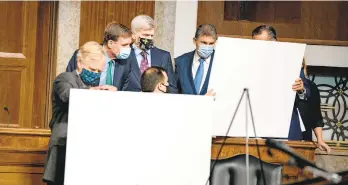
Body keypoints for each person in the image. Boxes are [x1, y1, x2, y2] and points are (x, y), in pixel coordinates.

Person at [43, 41, 117, 185]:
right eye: (92, 69)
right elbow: (67, 96)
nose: (95, 74)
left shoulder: (95, 87)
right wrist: (96, 92)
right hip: (63, 146)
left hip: (86, 148)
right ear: (79, 63)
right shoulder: (65, 78)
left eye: (98, 72)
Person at [251, 25, 330, 151]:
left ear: (274, 43)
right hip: (256, 130)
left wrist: (301, 89)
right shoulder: (249, 65)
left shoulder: (290, 61)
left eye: (262, 44)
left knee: (288, 169)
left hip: (286, 130)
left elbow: (308, 93)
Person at [66, 22, 132, 90]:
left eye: (129, 44)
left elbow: (125, 90)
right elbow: (69, 84)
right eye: (124, 45)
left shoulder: (126, 61)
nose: (129, 48)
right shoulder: (85, 54)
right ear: (110, 43)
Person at [124, 15, 177, 93]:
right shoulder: (124, 55)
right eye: (145, 35)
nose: (149, 39)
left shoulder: (163, 56)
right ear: (133, 35)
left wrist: (164, 89)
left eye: (151, 35)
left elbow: (173, 89)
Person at [175, 24, 216, 96]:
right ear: (195, 41)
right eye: (204, 43)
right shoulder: (180, 62)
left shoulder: (220, 62)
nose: (207, 47)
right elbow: (174, 92)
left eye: (211, 43)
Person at [299, 60, 331, 152]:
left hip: (302, 137)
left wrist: (320, 139)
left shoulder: (311, 86)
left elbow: (316, 115)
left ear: (302, 65)